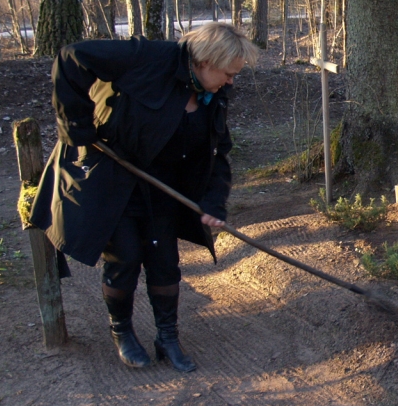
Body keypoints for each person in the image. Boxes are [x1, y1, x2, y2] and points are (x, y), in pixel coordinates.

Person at [30, 23, 259, 372]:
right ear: (205, 61)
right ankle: (121, 331)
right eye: (228, 73)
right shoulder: (147, 58)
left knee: (165, 261)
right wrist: (78, 127)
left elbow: (218, 153)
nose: (231, 82)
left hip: (163, 186)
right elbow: (71, 57)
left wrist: (214, 202)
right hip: (113, 179)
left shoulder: (213, 96)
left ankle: (167, 337)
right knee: (125, 257)